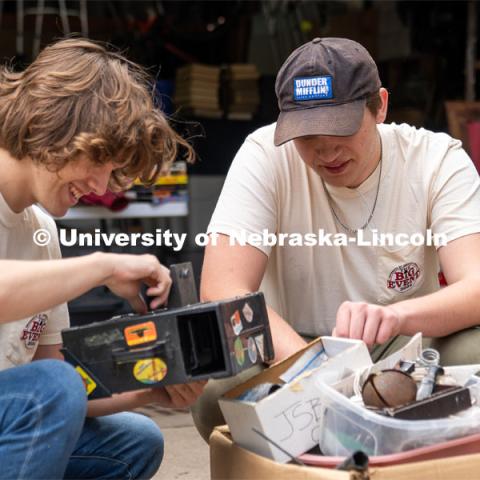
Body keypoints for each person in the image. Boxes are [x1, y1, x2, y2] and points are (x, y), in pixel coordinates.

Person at [192, 37, 480, 442]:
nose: (326, 151)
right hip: (290, 345)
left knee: (476, 353)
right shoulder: (263, 154)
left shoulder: (437, 160)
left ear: (380, 105)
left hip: (404, 345)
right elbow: (223, 290)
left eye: (339, 129)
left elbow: (476, 286)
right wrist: (314, 370)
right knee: (219, 392)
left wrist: (398, 316)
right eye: (307, 136)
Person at [0, 38, 205, 479]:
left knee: (134, 440)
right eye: (99, 161)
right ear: (52, 127)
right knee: (51, 388)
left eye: (112, 172)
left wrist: (152, 390)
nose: (100, 188)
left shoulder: (40, 230)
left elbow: (56, 379)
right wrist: (105, 266)